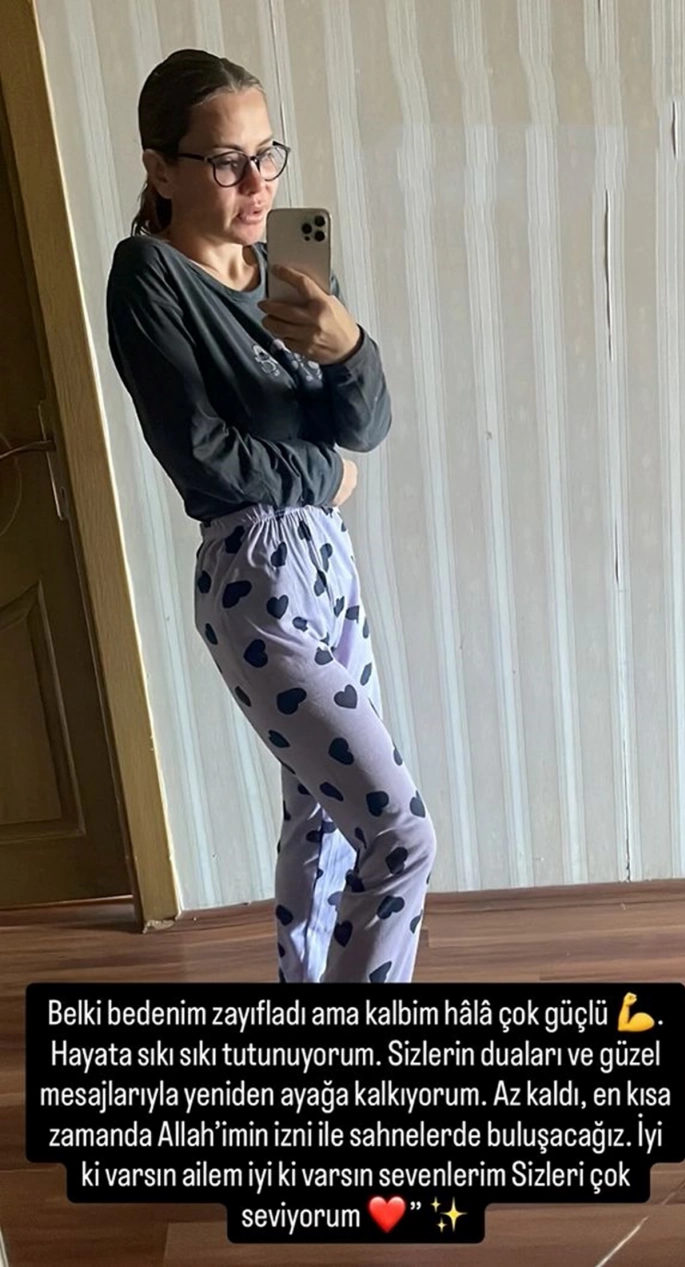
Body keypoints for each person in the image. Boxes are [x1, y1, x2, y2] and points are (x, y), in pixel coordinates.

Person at [106, 48, 436, 984]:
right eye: (225, 162)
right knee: (399, 832)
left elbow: (363, 426)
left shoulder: (284, 265)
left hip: (325, 559)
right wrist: (323, 476)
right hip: (253, 573)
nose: (257, 183)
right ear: (160, 169)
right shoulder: (149, 275)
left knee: (323, 814)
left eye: (266, 155)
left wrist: (350, 346)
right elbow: (202, 453)